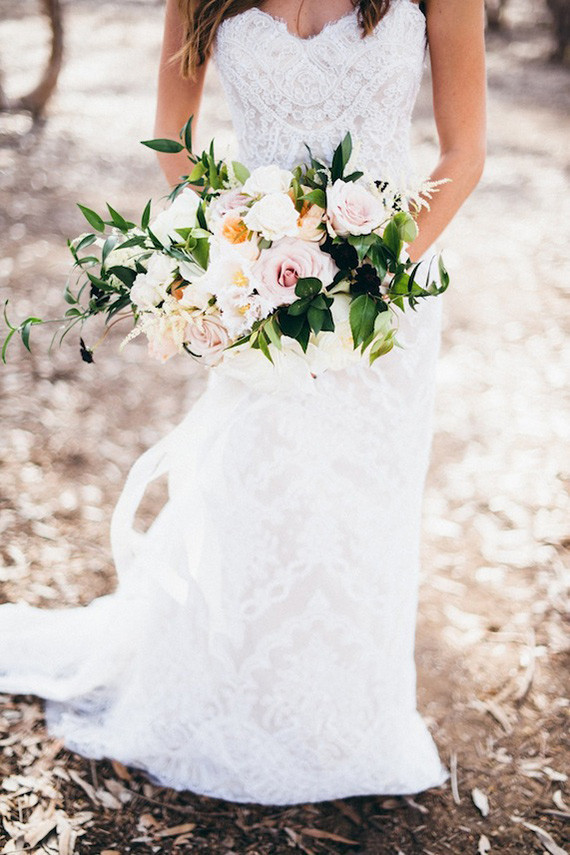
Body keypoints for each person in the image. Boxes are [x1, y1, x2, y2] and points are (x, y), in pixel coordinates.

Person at [0, 0, 486, 805]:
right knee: (258, 494)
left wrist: (362, 275)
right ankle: (239, 699)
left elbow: (464, 154)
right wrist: (234, 251)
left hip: (384, 303)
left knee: (360, 508)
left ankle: (344, 720)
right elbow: (174, 133)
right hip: (257, 293)